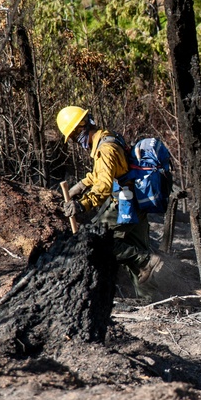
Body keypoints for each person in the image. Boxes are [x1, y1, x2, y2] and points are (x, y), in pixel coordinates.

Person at [56, 106, 161, 292]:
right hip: (137, 201)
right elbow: (103, 173)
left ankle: (146, 260)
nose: (75, 141)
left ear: (81, 128)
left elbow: (104, 186)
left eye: (73, 136)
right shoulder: (108, 138)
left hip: (125, 205)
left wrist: (82, 204)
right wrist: (81, 186)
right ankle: (152, 299)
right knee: (139, 264)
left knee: (98, 241)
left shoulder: (105, 149)